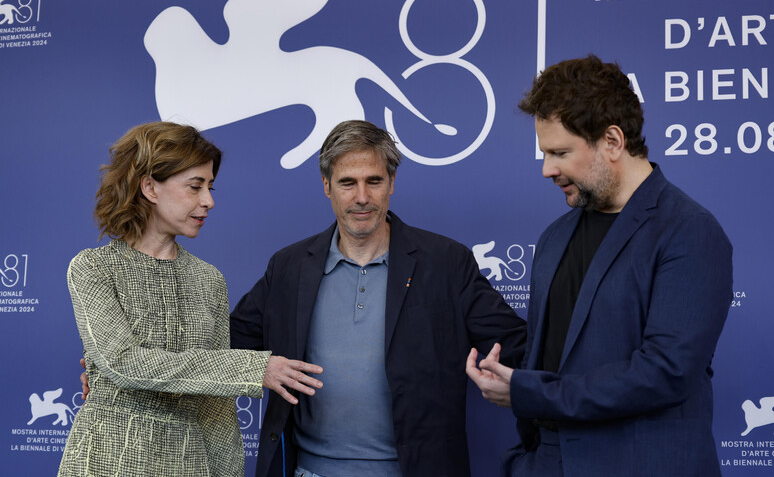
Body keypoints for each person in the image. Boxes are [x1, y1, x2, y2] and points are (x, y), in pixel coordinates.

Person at [466, 55, 733, 476]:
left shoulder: (689, 231)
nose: (546, 169)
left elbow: (665, 373)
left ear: (612, 141)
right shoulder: (555, 237)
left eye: (560, 152)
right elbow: (552, 357)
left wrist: (529, 392)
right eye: (544, 152)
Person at [230, 120, 527, 477]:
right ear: (326, 186)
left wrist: (547, 390)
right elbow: (228, 344)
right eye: (347, 183)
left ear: (391, 183)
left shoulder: (446, 262)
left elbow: (517, 347)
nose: (361, 197)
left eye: (374, 181)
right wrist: (257, 368)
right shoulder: (288, 267)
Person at [60, 122, 323, 477]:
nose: (209, 201)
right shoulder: (93, 267)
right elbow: (123, 364)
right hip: (105, 461)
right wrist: (252, 368)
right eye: (195, 186)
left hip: (189, 464)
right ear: (150, 186)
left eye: (210, 187)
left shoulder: (209, 280)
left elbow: (215, 408)